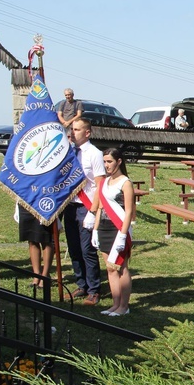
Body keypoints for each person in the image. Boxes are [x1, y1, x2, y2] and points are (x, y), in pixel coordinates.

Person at [63, 118, 105, 306]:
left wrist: (92, 211)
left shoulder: (94, 153)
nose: (73, 132)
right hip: (70, 206)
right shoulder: (69, 153)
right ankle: (81, 284)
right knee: (74, 248)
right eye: (72, 129)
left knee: (87, 250)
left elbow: (99, 185)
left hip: (86, 206)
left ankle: (94, 289)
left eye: (77, 129)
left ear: (87, 132)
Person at [92, 148, 135, 317]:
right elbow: (101, 207)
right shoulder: (104, 182)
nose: (106, 165)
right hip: (103, 227)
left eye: (109, 161)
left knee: (121, 267)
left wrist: (123, 235)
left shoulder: (126, 183)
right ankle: (115, 304)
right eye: (104, 162)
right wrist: (95, 230)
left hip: (118, 229)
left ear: (119, 162)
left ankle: (124, 306)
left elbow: (129, 211)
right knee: (110, 268)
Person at [17, 205, 54, 289]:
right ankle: (36, 275)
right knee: (31, 239)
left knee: (45, 239)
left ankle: (45, 276)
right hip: (26, 201)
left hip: (43, 203)